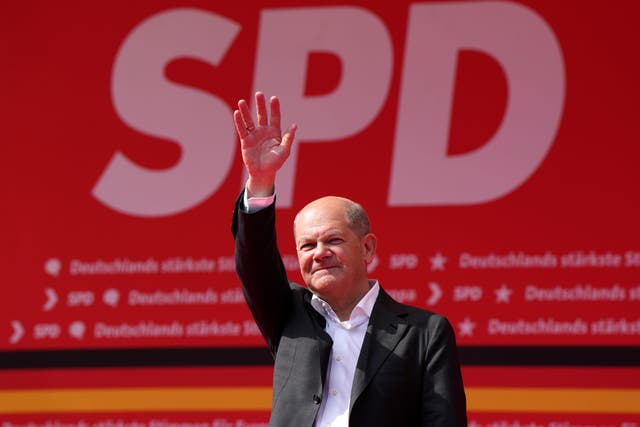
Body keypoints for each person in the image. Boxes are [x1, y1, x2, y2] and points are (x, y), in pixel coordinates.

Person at [231, 92, 467, 426]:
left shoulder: (425, 333)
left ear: (368, 248)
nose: (320, 253)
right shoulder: (289, 315)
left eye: (333, 240)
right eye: (307, 246)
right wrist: (261, 181)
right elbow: (254, 264)